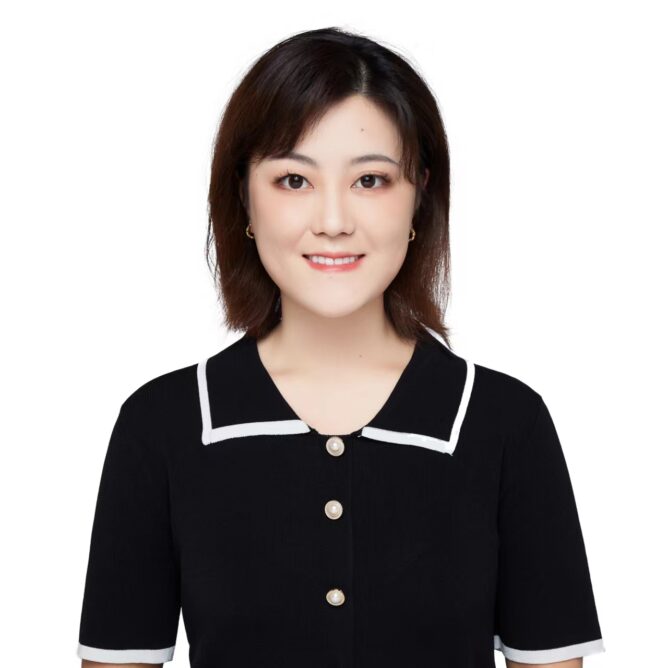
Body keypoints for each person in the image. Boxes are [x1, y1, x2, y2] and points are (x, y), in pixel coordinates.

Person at [76, 26, 605, 668]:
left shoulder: (503, 422)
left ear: (420, 196)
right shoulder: (163, 424)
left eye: (371, 180)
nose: (332, 221)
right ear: (243, 196)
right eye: (293, 180)